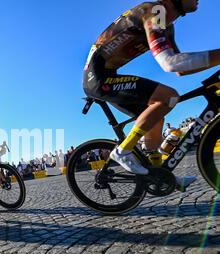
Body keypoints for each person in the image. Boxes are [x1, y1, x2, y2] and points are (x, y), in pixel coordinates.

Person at [83, 0, 220, 190]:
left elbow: (180, 69)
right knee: (168, 97)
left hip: (107, 75)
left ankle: (160, 175)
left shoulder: (167, 25)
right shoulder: (155, 11)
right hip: (98, 78)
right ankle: (122, 151)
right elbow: (170, 63)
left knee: (156, 114)